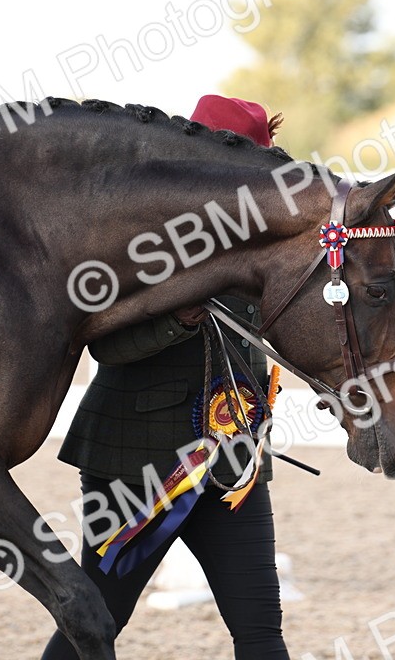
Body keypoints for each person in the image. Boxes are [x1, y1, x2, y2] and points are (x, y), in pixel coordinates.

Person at [41, 95, 290, 660]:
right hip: (136, 462)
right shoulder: (143, 237)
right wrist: (178, 319)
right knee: (96, 623)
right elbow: (104, 342)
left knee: (261, 631)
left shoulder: (266, 243)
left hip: (234, 464)